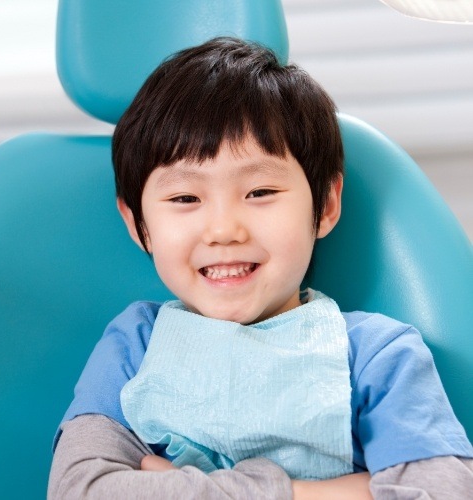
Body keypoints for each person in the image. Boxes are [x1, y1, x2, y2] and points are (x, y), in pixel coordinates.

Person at [48, 37, 473, 499]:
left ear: (326, 204)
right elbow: (81, 489)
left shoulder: (377, 355)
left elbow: (441, 491)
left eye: (260, 193)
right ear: (138, 224)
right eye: (185, 198)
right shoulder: (133, 347)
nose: (224, 230)